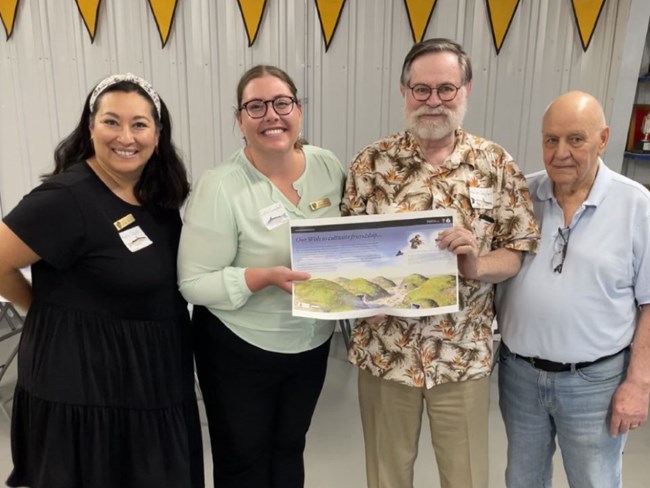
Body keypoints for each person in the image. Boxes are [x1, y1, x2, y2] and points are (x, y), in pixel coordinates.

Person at [341, 38, 540, 488]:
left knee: (465, 477)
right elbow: (346, 253)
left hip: (463, 355)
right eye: (422, 89)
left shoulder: (495, 164)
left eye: (446, 89)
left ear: (466, 90)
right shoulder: (370, 164)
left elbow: (517, 249)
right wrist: (357, 296)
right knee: (387, 477)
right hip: (385, 352)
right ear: (403, 92)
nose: (433, 101)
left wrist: (476, 265)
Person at [0, 73, 204, 488]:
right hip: (84, 387)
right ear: (90, 126)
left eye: (139, 124)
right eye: (111, 121)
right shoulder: (65, 197)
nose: (125, 136)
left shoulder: (158, 195)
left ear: (158, 134)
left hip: (153, 381)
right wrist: (39, 310)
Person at [177, 65, 345, 488]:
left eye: (282, 103)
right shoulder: (219, 187)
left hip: (310, 344)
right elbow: (193, 283)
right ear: (240, 120)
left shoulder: (327, 166)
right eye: (256, 106)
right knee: (243, 460)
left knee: (290, 449)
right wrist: (261, 277)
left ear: (299, 111)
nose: (272, 114)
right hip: (240, 349)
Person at [496, 91, 650, 487]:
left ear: (603, 139)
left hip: (595, 384)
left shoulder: (636, 207)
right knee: (522, 479)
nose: (560, 152)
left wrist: (638, 385)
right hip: (520, 377)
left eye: (575, 139)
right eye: (551, 140)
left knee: (594, 481)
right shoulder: (520, 197)